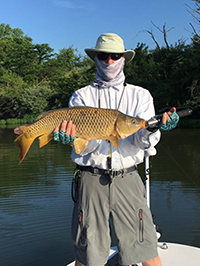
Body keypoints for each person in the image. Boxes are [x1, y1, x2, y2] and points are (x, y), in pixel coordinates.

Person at [53, 34, 179, 266]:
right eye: (104, 55)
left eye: (115, 56)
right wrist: (73, 138)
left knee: (145, 246)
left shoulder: (140, 95)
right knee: (87, 251)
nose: (109, 61)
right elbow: (83, 148)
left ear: (123, 59)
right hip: (90, 179)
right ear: (96, 58)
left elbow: (142, 140)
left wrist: (154, 129)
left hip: (128, 177)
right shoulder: (81, 96)